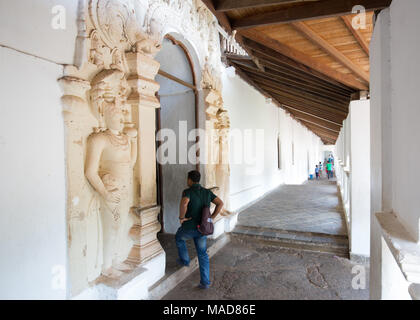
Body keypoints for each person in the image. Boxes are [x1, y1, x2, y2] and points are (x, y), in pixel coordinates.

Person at [175, 170, 224, 289]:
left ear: (190, 180)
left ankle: (185, 260)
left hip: (190, 227)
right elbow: (220, 203)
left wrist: (181, 217)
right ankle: (205, 282)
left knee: (178, 237)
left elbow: (184, 203)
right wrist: (211, 218)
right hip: (202, 228)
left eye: (188, 179)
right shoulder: (207, 192)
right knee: (202, 254)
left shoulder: (187, 191)